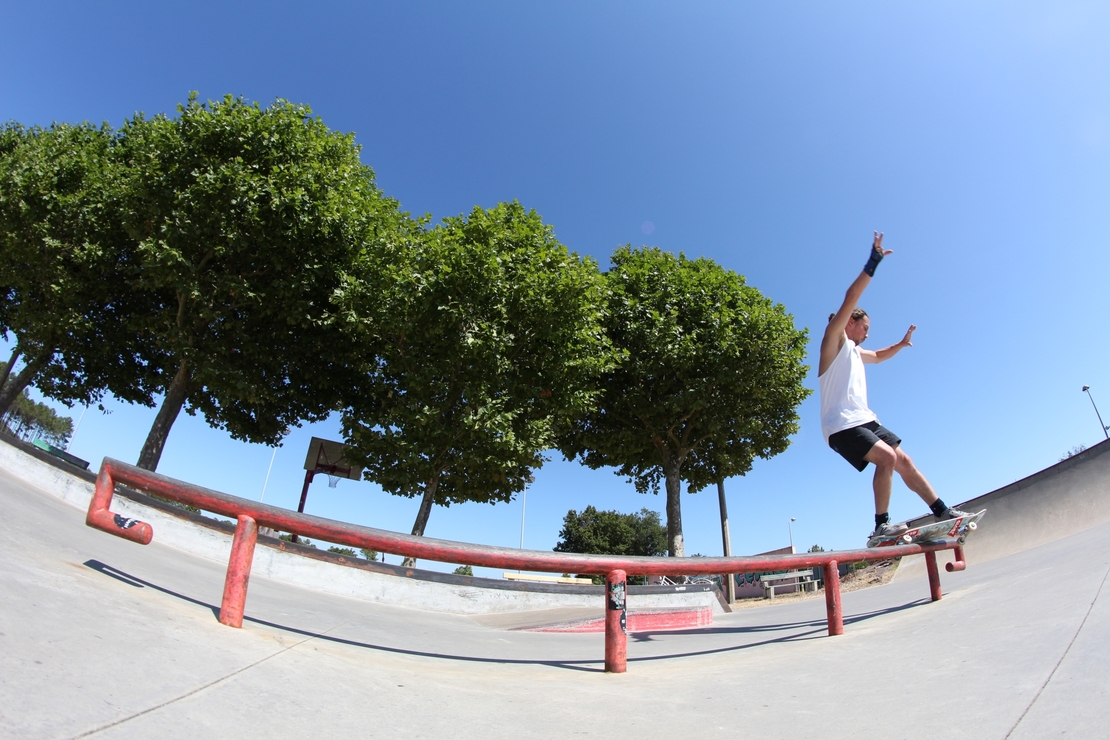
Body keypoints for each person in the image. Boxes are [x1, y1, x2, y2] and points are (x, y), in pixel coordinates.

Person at [818, 232, 968, 541]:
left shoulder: (856, 353)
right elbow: (851, 297)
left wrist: (900, 344)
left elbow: (877, 356)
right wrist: (873, 262)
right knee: (887, 457)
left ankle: (941, 510)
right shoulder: (833, 341)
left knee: (904, 461)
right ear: (850, 323)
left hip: (865, 419)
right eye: (865, 328)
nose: (867, 334)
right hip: (840, 425)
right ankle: (881, 527)